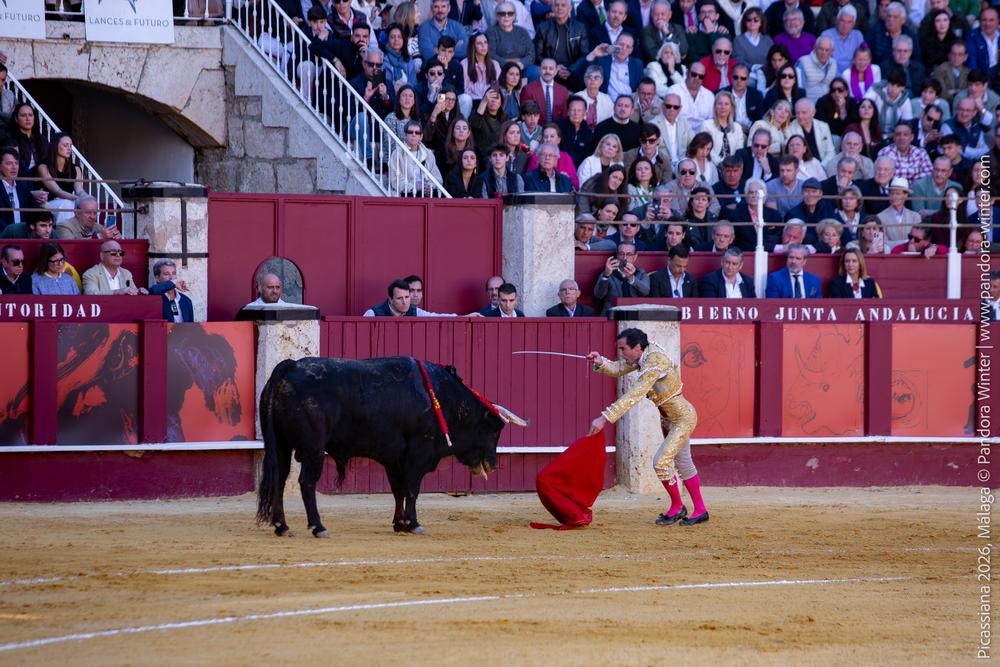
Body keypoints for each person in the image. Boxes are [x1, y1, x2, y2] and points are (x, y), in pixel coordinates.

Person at [586, 327, 709, 526]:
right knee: (683, 463)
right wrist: (601, 363)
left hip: (682, 418)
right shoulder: (643, 356)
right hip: (669, 419)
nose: (621, 353)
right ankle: (696, 509)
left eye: (623, 349)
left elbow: (634, 393)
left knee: (661, 462)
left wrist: (605, 417)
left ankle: (680, 506)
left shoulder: (654, 362)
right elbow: (618, 368)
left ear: (637, 348)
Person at [533, 0, 589, 86]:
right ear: (552, 8)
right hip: (551, 70)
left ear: (570, 8)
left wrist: (570, 70)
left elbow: (584, 54)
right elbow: (538, 55)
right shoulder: (543, 28)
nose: (560, 8)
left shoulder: (580, 28)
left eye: (563, 5)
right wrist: (555, 68)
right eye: (557, 5)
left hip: (573, 70)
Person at [388, 121, 443, 196]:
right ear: (405, 135)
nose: (414, 135)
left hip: (427, 191)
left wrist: (429, 187)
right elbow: (395, 180)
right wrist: (413, 187)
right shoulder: (397, 154)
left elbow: (437, 178)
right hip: (407, 193)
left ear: (421, 136)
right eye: (410, 132)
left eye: (417, 133)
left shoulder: (428, 154)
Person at [594, 241, 650, 315]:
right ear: (617, 255)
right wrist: (606, 275)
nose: (625, 258)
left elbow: (645, 291)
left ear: (635, 257)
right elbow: (598, 295)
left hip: (635, 315)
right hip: (611, 315)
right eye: (621, 254)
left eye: (629, 254)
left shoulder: (640, 272)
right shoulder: (608, 272)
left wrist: (631, 278)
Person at [0, 147, 47, 231]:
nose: (14, 167)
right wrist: (11, 231)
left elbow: (34, 210)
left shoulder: (24, 185)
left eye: (16, 163)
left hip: (24, 234)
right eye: (9, 163)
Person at [82, 241, 146, 296]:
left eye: (120, 252)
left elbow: (133, 293)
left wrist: (139, 292)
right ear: (102, 255)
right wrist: (116, 292)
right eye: (113, 252)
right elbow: (90, 294)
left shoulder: (126, 273)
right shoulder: (91, 274)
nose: (118, 255)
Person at [666, 61, 714, 133]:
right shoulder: (673, 91)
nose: (697, 78)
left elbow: (711, 121)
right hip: (678, 133)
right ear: (687, 73)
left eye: (701, 76)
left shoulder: (709, 96)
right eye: (694, 74)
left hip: (702, 137)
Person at [486, 2, 536, 71]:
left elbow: (531, 54)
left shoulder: (522, 32)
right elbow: (491, 54)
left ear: (514, 16)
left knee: (535, 71)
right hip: (501, 68)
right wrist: (508, 64)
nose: (506, 16)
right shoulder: (491, 32)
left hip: (522, 66)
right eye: (502, 14)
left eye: (510, 13)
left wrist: (521, 64)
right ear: (497, 16)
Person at [519, 58, 569, 124]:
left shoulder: (563, 91)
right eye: (544, 68)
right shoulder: (528, 89)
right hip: (536, 131)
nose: (547, 71)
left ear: (556, 72)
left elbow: (564, 116)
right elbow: (525, 115)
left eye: (551, 68)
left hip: (557, 131)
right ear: (539, 70)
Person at [649, 93, 692, 168]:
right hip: (662, 166)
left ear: (679, 109)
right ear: (662, 106)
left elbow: (694, 143)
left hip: (683, 165)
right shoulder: (653, 125)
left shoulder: (684, 122)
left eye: (675, 107)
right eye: (668, 106)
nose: (672, 110)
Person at [876, 176, 920, 246]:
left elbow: (918, 240)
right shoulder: (880, 217)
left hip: (911, 255)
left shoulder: (915, 216)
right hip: (890, 256)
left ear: (906, 195)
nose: (894, 197)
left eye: (898, 194)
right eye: (892, 193)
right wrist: (906, 243)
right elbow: (882, 243)